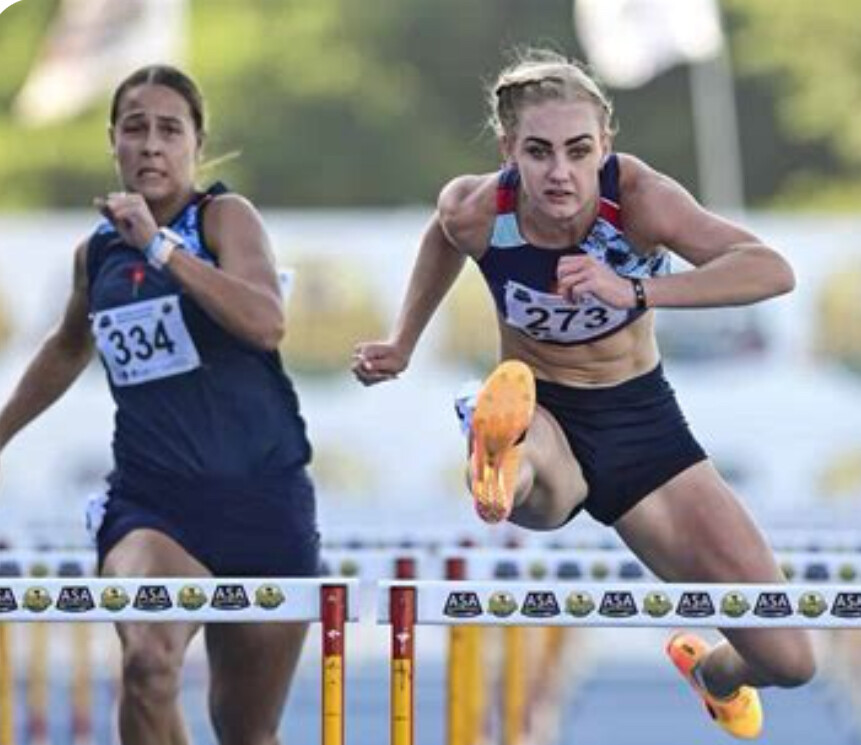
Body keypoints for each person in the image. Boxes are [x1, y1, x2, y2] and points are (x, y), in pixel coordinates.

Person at [353, 49, 814, 739]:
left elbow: (770, 270)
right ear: (509, 151)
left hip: (644, 425)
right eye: (538, 152)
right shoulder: (477, 209)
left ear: (605, 145)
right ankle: (494, 451)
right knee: (532, 485)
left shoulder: (641, 200)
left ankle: (714, 675)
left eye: (578, 151)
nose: (559, 173)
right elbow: (444, 237)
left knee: (790, 659)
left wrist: (633, 289)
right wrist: (403, 341)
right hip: (544, 411)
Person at [0, 64, 318, 745]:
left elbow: (265, 322)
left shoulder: (226, 218)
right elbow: (66, 348)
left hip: (263, 501)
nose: (150, 144)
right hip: (155, 508)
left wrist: (160, 247)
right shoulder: (97, 254)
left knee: (246, 729)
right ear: (112, 140)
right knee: (147, 665)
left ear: (197, 145)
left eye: (169, 130)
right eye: (135, 128)